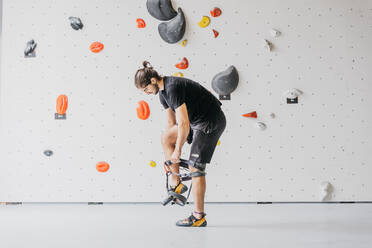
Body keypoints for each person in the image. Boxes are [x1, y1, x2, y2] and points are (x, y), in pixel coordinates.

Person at [134, 61, 226, 227]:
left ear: (153, 80)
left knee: (196, 168)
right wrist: (171, 157)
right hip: (195, 121)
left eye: (146, 89)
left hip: (210, 122)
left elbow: (183, 124)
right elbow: (172, 123)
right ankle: (176, 185)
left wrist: (177, 151)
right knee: (166, 138)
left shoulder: (172, 87)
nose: (147, 93)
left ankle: (198, 217)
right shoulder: (162, 94)